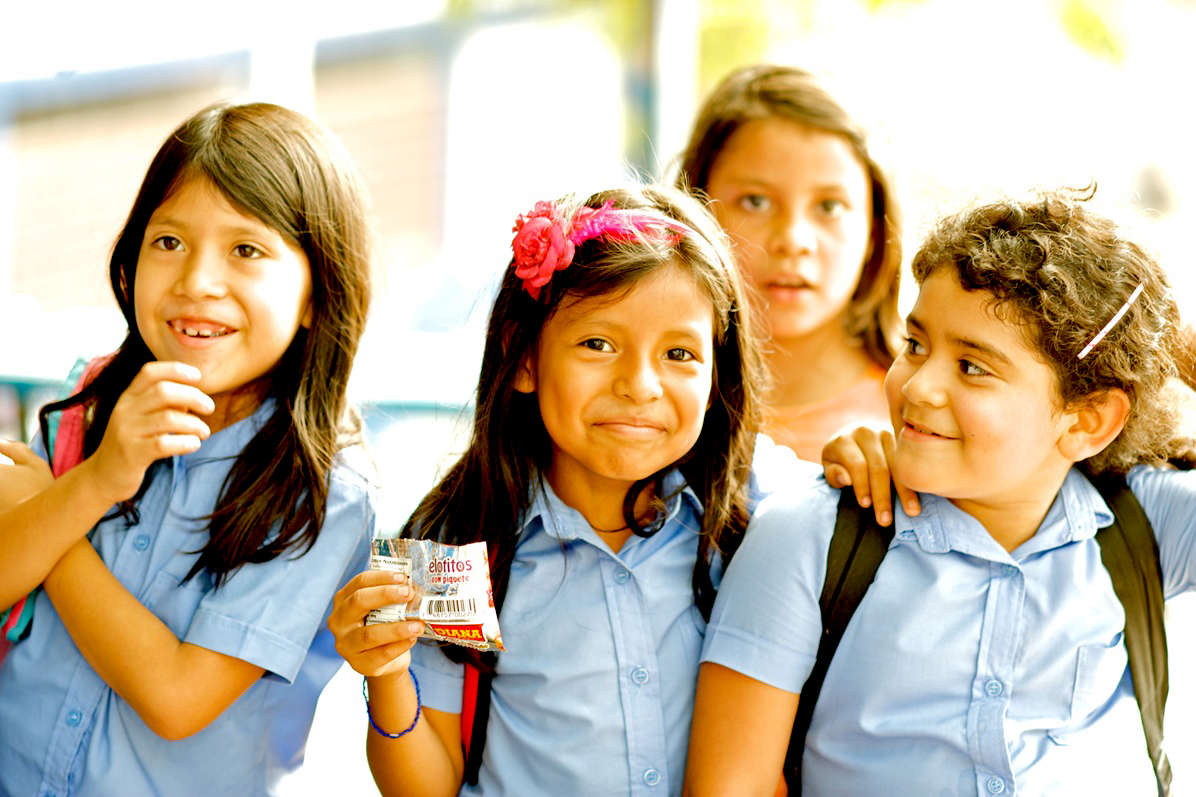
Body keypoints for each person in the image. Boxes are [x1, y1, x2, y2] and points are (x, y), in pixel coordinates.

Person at [685, 188, 1196, 795]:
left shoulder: (1145, 522)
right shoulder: (809, 536)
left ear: (1087, 421)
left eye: (973, 366)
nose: (919, 386)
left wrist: (1164, 344)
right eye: (916, 345)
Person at [328, 184, 801, 797]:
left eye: (680, 352)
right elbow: (425, 786)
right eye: (597, 344)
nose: (639, 385)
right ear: (523, 358)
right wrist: (389, 674)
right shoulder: (458, 540)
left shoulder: (759, 508)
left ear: (716, 379)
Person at [0, 101, 377, 796]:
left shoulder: (321, 494)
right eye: (168, 241)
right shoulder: (90, 400)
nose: (196, 281)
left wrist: (58, 508)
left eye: (246, 249)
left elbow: (177, 698)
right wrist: (91, 478)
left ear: (316, 295)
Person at [674, 64, 903, 462]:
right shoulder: (645, 394)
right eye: (755, 202)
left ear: (873, 231)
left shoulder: (919, 408)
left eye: (829, 206)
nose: (793, 241)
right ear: (694, 209)